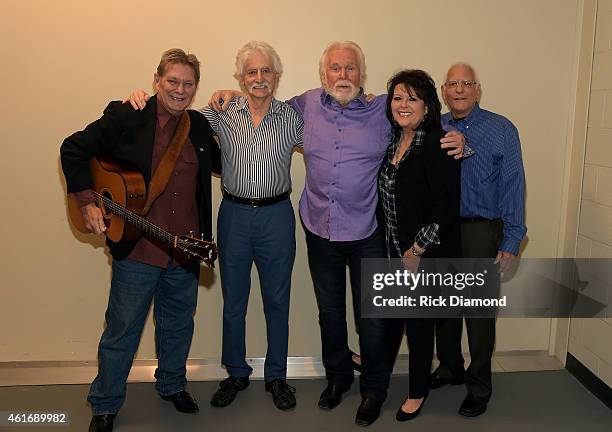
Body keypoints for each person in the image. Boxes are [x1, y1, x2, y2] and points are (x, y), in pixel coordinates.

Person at [207, 40, 465, 426]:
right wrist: (228, 93)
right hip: (319, 229)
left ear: (361, 74)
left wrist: (458, 138)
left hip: (367, 232)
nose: (342, 75)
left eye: (349, 68)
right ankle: (338, 379)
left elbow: (421, 123)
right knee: (330, 313)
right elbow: (261, 100)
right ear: (322, 73)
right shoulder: (305, 106)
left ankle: (374, 390)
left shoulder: (383, 109)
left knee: (372, 317)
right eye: (334, 68)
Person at [126, 41, 302, 411]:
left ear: (277, 76)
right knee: (233, 301)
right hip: (234, 215)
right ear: (240, 77)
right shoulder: (221, 111)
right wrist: (139, 100)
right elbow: (172, 115)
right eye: (251, 72)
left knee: (277, 301)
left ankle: (276, 376)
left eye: (266, 71)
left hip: (277, 216)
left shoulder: (293, 117)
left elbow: (330, 141)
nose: (259, 78)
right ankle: (236, 372)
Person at [60, 48, 220, 432]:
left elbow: (221, 163)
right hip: (137, 249)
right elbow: (73, 148)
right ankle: (105, 403)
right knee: (122, 330)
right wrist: (86, 203)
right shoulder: (128, 114)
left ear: (196, 88)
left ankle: (171, 385)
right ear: (157, 80)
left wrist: (232, 105)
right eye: (172, 81)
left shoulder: (197, 126)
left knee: (178, 324)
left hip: (184, 248)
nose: (179, 90)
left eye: (188, 84)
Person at [431, 62, 527, 417]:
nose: (459, 89)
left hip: (482, 230)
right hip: (443, 230)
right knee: (442, 306)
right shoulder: (433, 126)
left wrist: (512, 237)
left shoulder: (502, 128)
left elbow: (514, 184)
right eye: (452, 83)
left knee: (478, 313)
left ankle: (479, 385)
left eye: (466, 83)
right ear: (443, 90)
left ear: (478, 89)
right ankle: (450, 366)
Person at [376, 69, 461, 421]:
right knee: (398, 319)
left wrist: (416, 250)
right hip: (394, 250)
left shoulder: (439, 143)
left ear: (427, 106)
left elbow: (446, 206)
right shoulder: (394, 141)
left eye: (412, 98)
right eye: (398, 97)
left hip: (423, 255)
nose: (404, 104)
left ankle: (417, 392)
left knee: (420, 325)